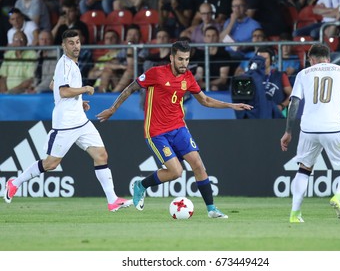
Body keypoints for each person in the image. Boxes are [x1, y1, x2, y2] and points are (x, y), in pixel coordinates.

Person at [97, 40, 253, 218]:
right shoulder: (156, 73)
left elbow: (206, 100)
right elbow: (130, 88)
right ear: (171, 58)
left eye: (186, 59)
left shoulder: (188, 77)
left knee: (198, 165)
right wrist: (113, 109)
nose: (184, 63)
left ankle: (211, 209)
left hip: (179, 128)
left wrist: (231, 105)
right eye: (180, 59)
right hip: (156, 132)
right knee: (176, 172)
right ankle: (141, 185)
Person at [3, 29, 132, 212]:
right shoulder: (64, 64)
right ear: (64, 46)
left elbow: (53, 85)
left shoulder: (71, 64)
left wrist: (78, 102)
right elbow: (63, 91)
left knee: (101, 155)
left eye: (77, 42)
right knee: (50, 163)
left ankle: (112, 200)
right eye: (71, 43)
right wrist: (85, 89)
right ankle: (14, 183)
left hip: (81, 121)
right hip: (65, 124)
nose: (76, 46)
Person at [280, 43, 340, 223]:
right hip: (333, 127)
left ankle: (295, 214)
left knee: (304, 169)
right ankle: (339, 196)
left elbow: (294, 103)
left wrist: (288, 132)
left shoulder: (303, 74)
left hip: (308, 129)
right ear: (328, 58)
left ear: (311, 59)